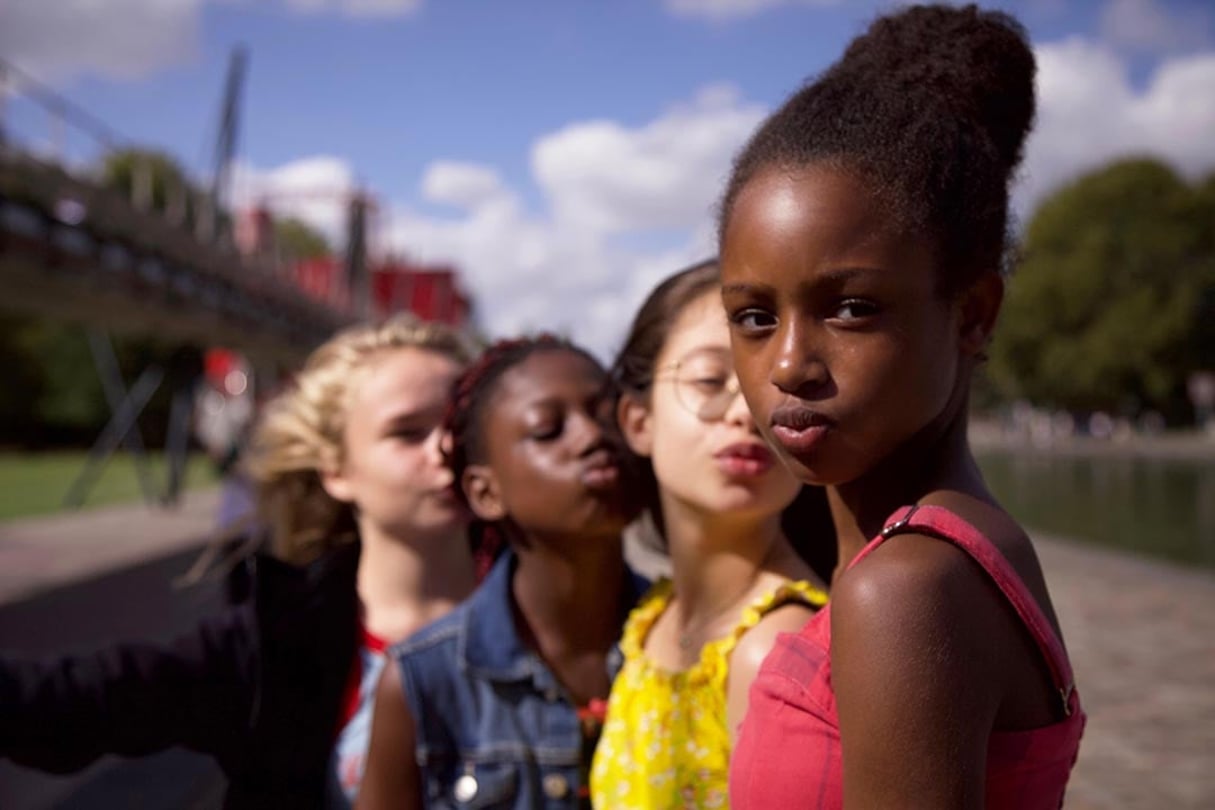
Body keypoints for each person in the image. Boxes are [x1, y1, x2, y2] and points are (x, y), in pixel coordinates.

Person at [717, 5, 1085, 808]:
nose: (787, 364)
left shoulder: (906, 590)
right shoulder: (953, 546)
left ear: (973, 313)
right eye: (753, 316)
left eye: (851, 308)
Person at [0, 314, 479, 809]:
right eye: (407, 432)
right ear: (336, 470)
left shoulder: (549, 612)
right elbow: (70, 706)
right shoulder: (274, 646)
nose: (444, 449)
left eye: (457, 426)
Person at [356, 335, 645, 810]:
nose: (592, 437)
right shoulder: (422, 683)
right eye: (549, 430)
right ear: (485, 493)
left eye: (605, 414)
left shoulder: (691, 647)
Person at [589, 259, 829, 809]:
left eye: (772, 386)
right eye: (709, 380)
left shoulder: (772, 651)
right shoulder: (653, 615)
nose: (747, 412)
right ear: (638, 421)